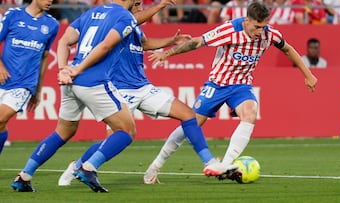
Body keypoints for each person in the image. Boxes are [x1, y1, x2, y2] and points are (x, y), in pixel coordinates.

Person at [57, 0, 239, 187]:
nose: (140, 8)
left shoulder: (134, 28)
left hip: (143, 87)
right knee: (116, 137)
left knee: (187, 114)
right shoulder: (120, 19)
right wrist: (159, 6)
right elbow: (133, 18)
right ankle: (78, 166)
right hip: (120, 89)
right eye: (136, 4)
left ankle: (210, 163)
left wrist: (171, 41)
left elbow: (145, 43)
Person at [144, 1, 318, 184]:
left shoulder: (270, 34)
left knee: (251, 112)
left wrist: (308, 74)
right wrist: (166, 54)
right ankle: (154, 167)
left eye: (263, 27)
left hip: (241, 87)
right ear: (247, 20)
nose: (260, 32)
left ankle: (224, 165)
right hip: (217, 84)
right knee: (190, 127)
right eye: (257, 27)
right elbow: (198, 42)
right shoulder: (229, 30)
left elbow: (288, 49)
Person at [11, 0, 138, 193]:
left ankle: (24, 176)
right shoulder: (124, 16)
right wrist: (79, 69)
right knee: (126, 131)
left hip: (71, 81)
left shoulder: (91, 13)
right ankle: (88, 167)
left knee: (63, 132)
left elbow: (64, 41)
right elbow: (105, 46)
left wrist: (64, 69)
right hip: (92, 80)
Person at [0, 0, 59, 161]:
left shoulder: (52, 24)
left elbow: (45, 57)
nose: (50, 1)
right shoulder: (13, 15)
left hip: (24, 84)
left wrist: (38, 90)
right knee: (1, 125)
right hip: (3, 78)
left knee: (1, 119)